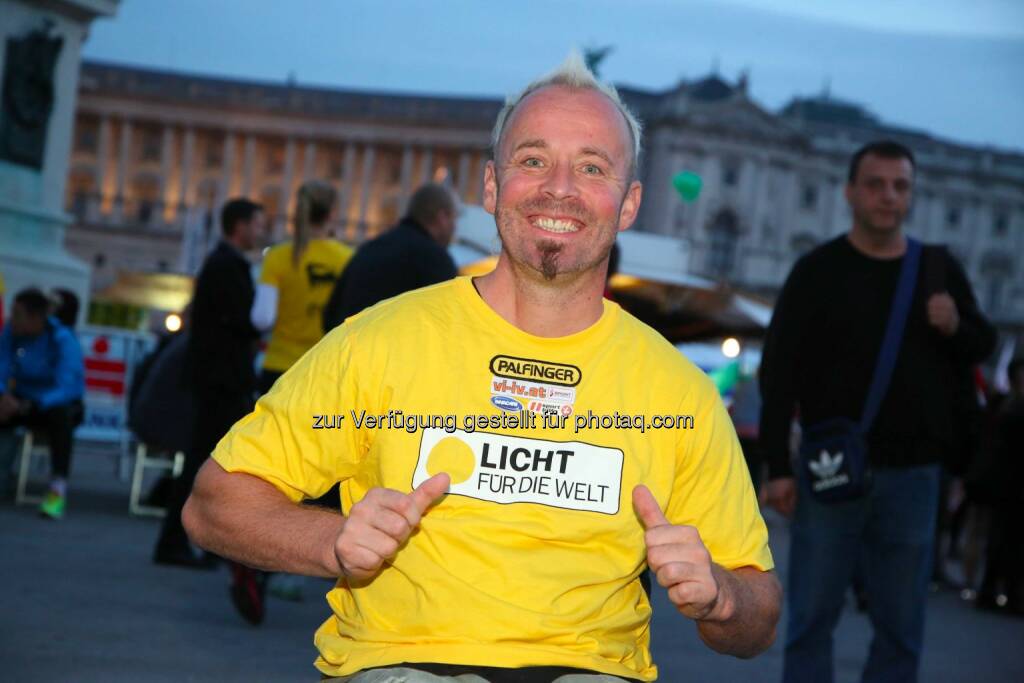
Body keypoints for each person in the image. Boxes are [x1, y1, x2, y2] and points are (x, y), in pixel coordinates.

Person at [184, 55, 780, 682]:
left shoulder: (678, 392)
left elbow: (759, 614)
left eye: (592, 167)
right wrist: (330, 542)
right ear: (492, 187)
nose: (560, 187)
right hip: (403, 667)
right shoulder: (379, 342)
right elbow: (212, 504)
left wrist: (720, 594)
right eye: (533, 160)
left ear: (628, 204)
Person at [759, 140, 997, 683]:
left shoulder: (938, 271)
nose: (889, 196)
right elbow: (779, 373)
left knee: (900, 627)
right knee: (811, 620)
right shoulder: (817, 270)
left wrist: (955, 324)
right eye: (876, 184)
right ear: (850, 193)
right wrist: (776, 468)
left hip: (913, 475)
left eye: (901, 186)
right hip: (830, 470)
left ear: (912, 194)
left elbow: (982, 346)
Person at [152, 198, 264, 568]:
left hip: (216, 379)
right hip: (221, 381)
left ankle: (184, 541)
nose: (261, 232)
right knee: (205, 464)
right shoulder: (227, 266)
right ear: (240, 226)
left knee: (202, 462)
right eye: (257, 224)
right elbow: (238, 321)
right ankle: (179, 540)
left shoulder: (221, 263)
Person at [251, 179, 352, 391]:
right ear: (332, 214)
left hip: (280, 367)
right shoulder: (348, 259)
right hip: (325, 369)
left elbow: (262, 318)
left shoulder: (278, 257)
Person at [321, 182, 457, 331]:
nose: (455, 227)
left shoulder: (370, 249)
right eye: (453, 219)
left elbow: (331, 315)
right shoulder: (436, 261)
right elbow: (446, 328)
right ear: (442, 217)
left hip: (348, 349)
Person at [0, 287, 84, 518]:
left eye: (17, 313)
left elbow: (67, 386)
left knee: (61, 418)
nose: (11, 318)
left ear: (36, 317)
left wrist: (30, 404)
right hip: (20, 399)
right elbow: (2, 366)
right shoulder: (11, 333)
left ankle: (57, 488)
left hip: (54, 403)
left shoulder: (62, 338)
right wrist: (3, 396)